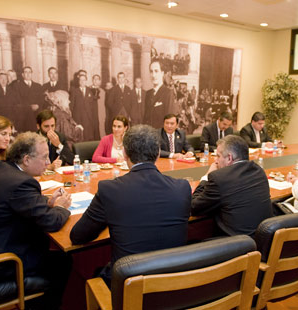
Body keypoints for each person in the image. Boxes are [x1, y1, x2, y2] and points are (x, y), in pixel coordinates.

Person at [0, 132, 72, 309]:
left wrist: (46, 202)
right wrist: (61, 208)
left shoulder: (1, 168)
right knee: (63, 260)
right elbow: (52, 222)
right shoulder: (21, 183)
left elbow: (19, 202)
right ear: (26, 159)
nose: (48, 162)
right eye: (44, 157)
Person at [70, 125, 191, 284]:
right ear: (157, 154)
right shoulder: (182, 188)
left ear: (125, 153)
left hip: (129, 285)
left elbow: (78, 236)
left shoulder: (110, 190)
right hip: (173, 283)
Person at [191, 135, 272, 237]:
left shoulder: (219, 178)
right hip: (261, 242)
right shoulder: (259, 171)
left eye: (218, 156)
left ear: (229, 158)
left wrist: (206, 177)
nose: (216, 161)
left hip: (235, 247)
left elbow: (194, 207)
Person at [143, 60, 178, 128]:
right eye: (151, 71)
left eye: (156, 71)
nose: (153, 75)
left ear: (162, 73)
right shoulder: (148, 93)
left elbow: (169, 122)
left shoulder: (168, 93)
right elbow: (145, 119)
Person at [12, 66, 44, 131]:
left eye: (29, 72)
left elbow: (41, 99)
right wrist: (29, 107)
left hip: (36, 114)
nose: (28, 74)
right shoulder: (17, 86)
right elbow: (17, 100)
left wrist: (38, 105)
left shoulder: (38, 86)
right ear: (22, 74)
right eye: (26, 72)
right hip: (24, 115)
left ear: (32, 74)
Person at [70, 74, 100, 141]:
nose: (82, 81)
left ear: (86, 81)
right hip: (78, 118)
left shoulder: (91, 91)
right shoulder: (74, 91)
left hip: (88, 118)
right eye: (80, 80)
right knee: (80, 137)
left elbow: (93, 106)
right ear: (78, 81)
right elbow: (71, 106)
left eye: (84, 80)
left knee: (88, 136)